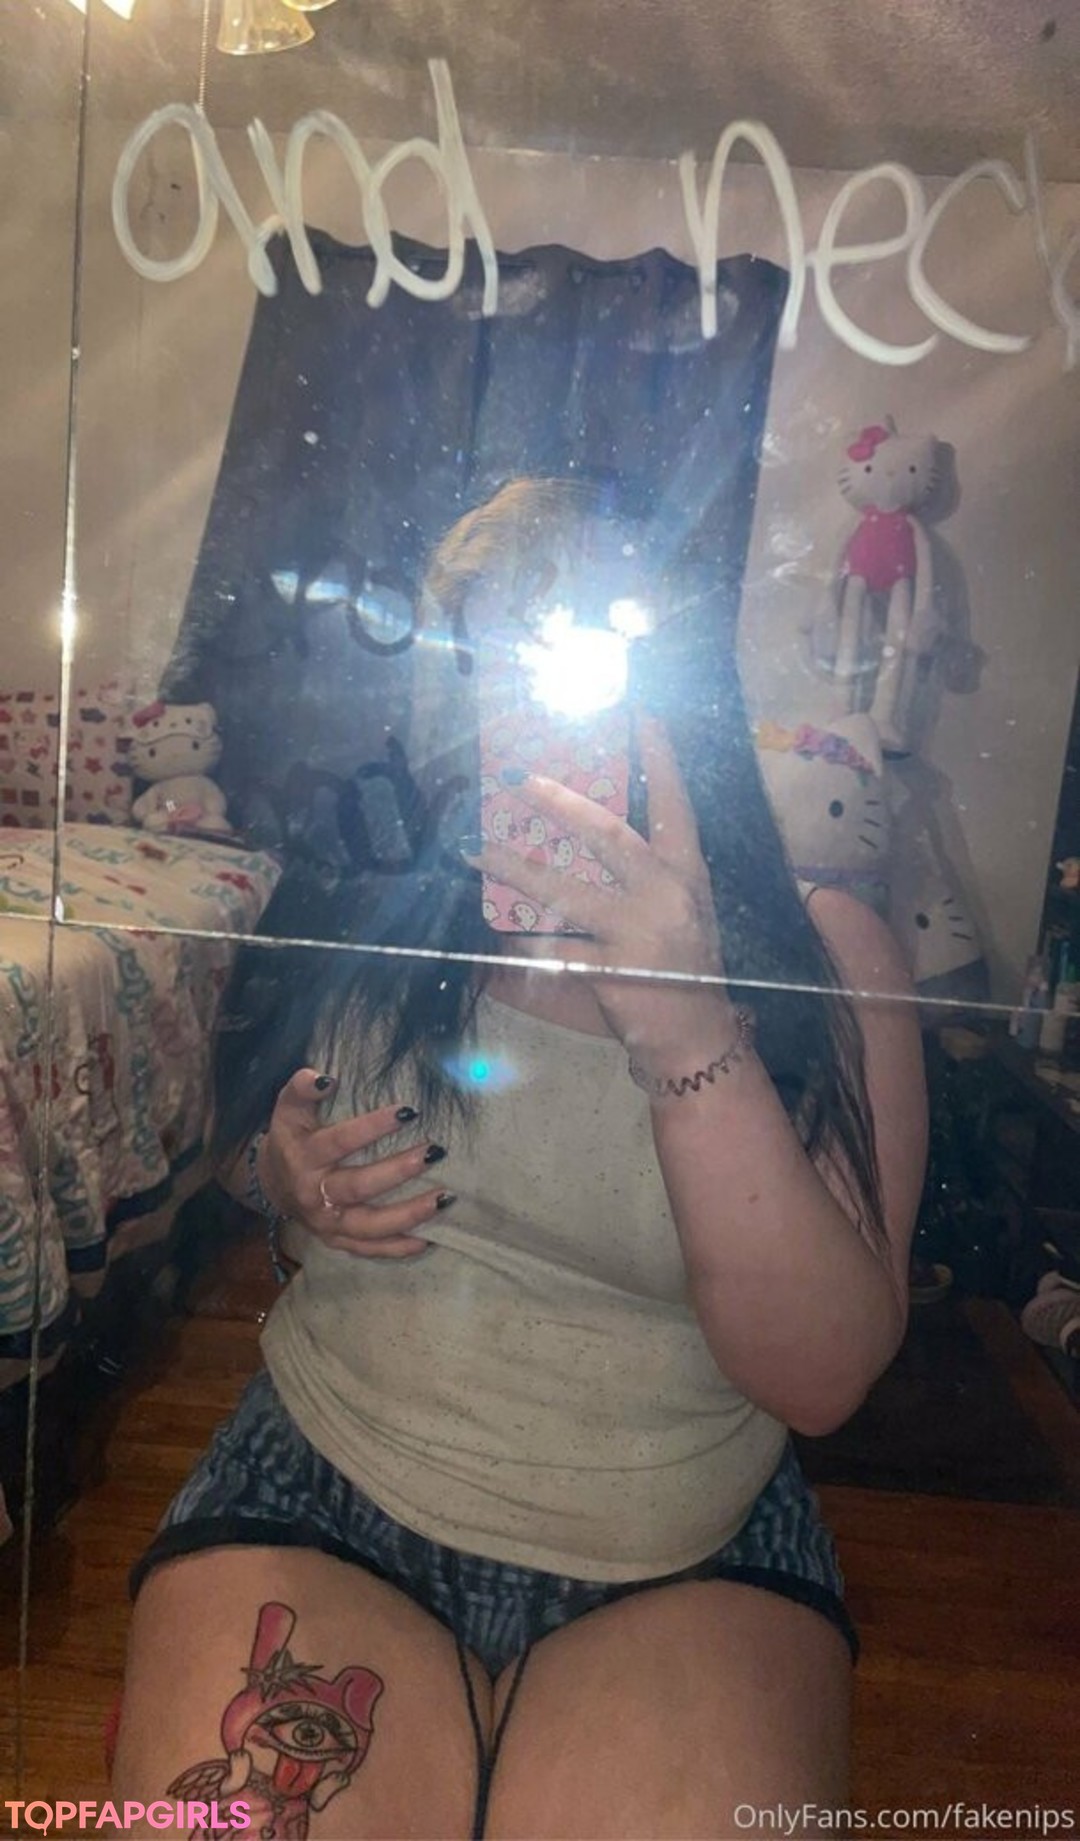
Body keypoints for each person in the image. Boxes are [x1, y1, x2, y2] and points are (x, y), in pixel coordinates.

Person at [112, 478, 927, 1840]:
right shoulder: (375, 886)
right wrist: (282, 1177)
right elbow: (241, 1150)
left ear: (679, 688)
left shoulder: (822, 952)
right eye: (488, 654)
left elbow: (824, 1375)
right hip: (321, 1482)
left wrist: (684, 1025)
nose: (525, 702)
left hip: (684, 1551)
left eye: (579, 647)